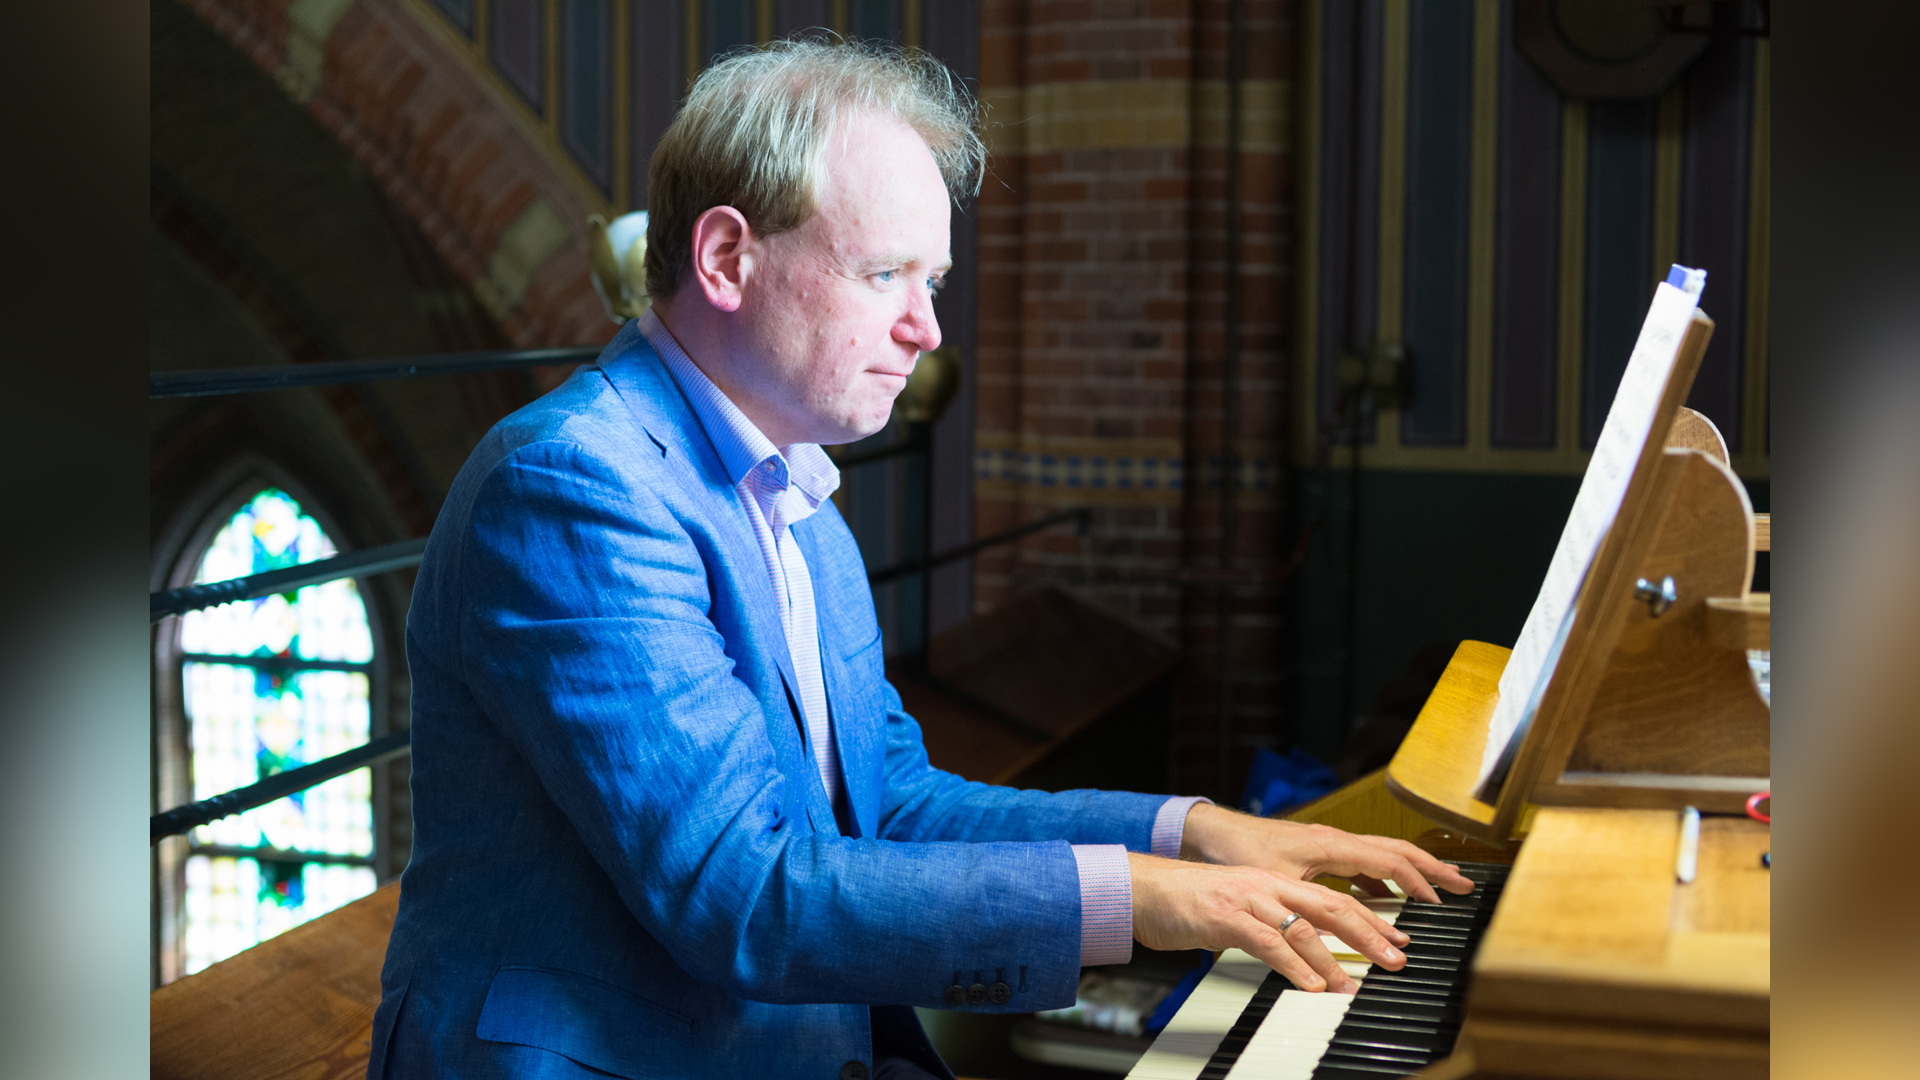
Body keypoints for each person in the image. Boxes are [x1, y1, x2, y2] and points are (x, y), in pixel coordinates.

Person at [368, 39, 1471, 1080]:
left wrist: (1193, 833)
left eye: (931, 282)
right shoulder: (574, 487)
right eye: (886, 274)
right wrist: (1142, 898)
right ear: (725, 258)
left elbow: (890, 808)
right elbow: (741, 894)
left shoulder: (792, 489)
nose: (927, 329)